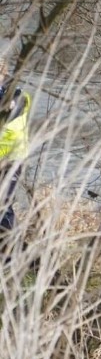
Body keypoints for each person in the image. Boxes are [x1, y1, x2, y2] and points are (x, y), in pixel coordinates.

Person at [0, 56, 30, 238]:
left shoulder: (17, 97)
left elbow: (11, 134)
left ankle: (12, 251)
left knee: (3, 206)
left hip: (10, 160)